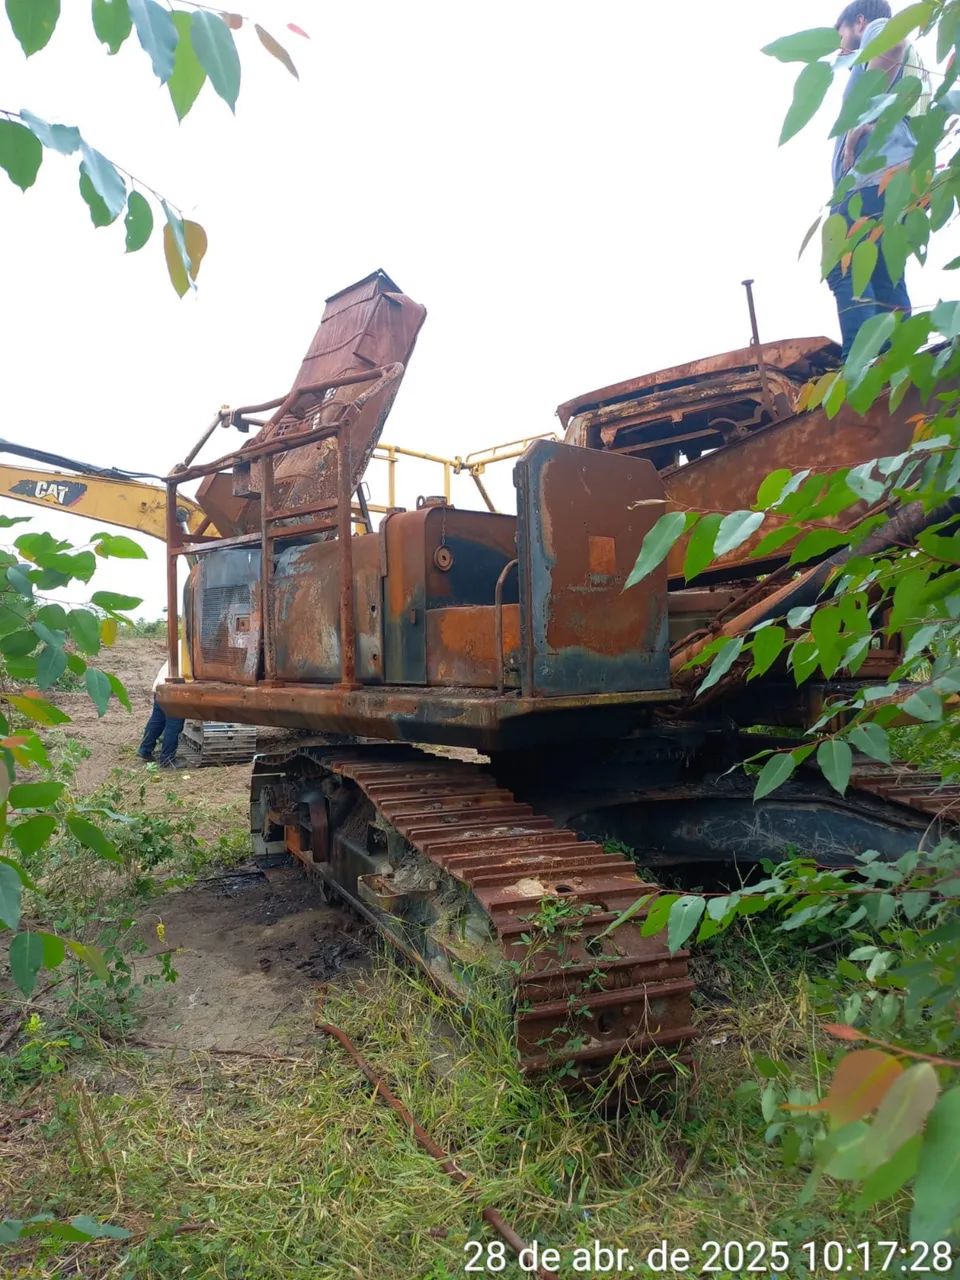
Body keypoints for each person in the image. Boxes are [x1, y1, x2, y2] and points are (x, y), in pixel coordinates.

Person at [827, 1, 930, 356]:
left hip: (869, 183)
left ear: (858, 21)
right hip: (898, 184)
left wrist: (862, 120)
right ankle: (894, 362)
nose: (840, 43)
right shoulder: (915, 71)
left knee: (843, 265)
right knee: (888, 275)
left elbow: (891, 40)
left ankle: (861, 360)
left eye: (840, 32)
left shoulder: (876, 29)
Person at [138, 660, 184, 768]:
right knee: (174, 725)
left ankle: (145, 750)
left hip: (160, 688)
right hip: (173, 690)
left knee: (157, 721)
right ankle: (167, 759)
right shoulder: (192, 653)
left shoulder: (178, 649)